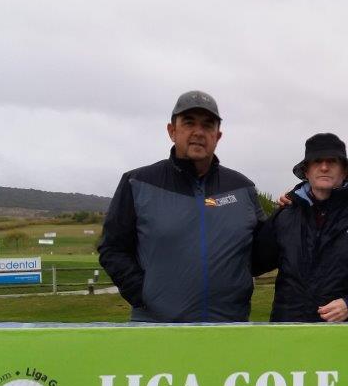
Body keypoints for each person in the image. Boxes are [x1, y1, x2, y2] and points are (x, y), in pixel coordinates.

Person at [99, 90, 264, 322]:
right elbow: (112, 249)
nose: (198, 132)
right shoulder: (137, 183)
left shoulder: (243, 188)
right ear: (172, 131)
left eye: (208, 125)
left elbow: (261, 256)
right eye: (189, 123)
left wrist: (292, 209)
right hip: (156, 329)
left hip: (229, 329)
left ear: (218, 136)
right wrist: (144, 294)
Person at [254, 133, 348, 322]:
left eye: (332, 161)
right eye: (316, 161)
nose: (324, 167)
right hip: (288, 338)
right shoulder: (284, 215)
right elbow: (251, 264)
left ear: (344, 171)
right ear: (306, 171)